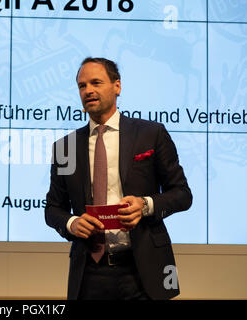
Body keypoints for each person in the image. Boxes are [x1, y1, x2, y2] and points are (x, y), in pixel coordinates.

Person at [45, 57, 192, 300]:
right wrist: (72, 223)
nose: (88, 91)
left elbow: (182, 194)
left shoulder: (151, 134)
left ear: (117, 86)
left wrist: (145, 206)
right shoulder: (66, 147)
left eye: (96, 82)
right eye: (82, 86)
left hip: (144, 269)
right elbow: (53, 209)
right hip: (89, 272)